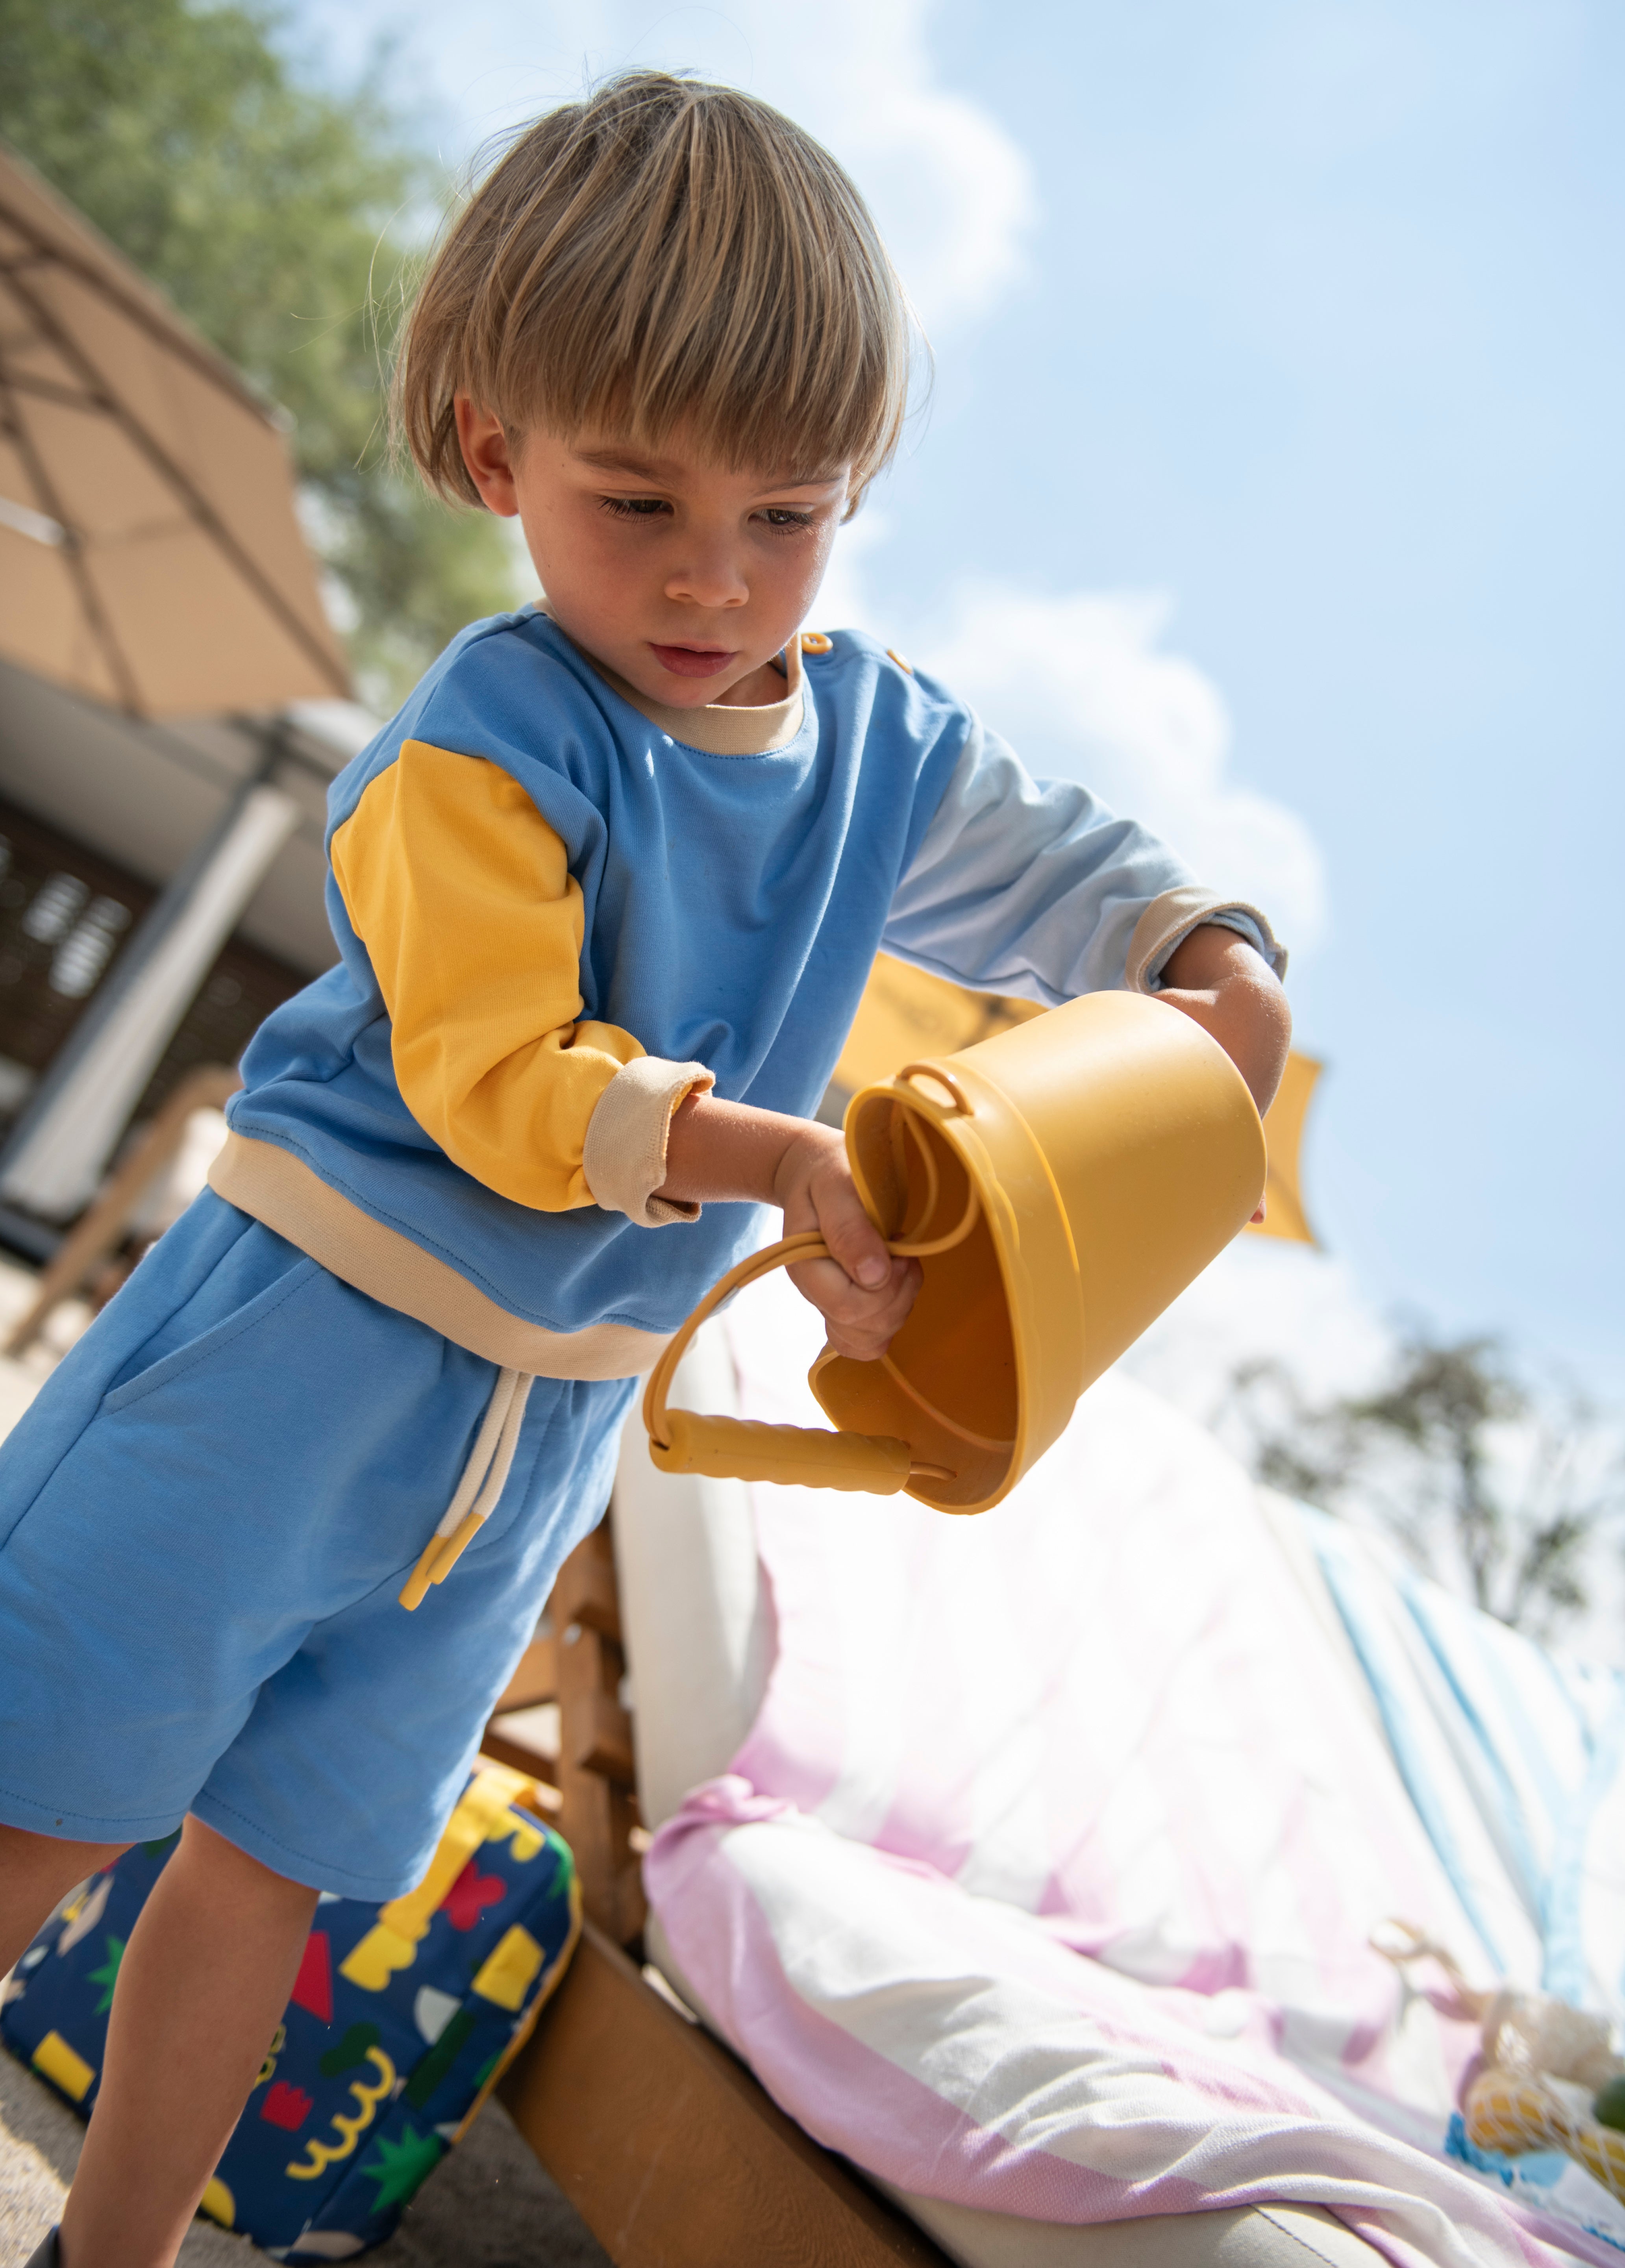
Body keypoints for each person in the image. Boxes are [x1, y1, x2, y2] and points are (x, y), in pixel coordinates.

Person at [0, 71, 1290, 2268]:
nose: (714, 576)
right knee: (43, 1796)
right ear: (499, 452)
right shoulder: (488, 743)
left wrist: (1213, 968)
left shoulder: (880, 752)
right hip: (291, 1356)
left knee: (274, 1875)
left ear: (853, 489)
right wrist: (772, 1156)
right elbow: (512, 1073)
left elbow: (1081, 880)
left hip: (533, 1454)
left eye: (786, 515)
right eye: (638, 500)